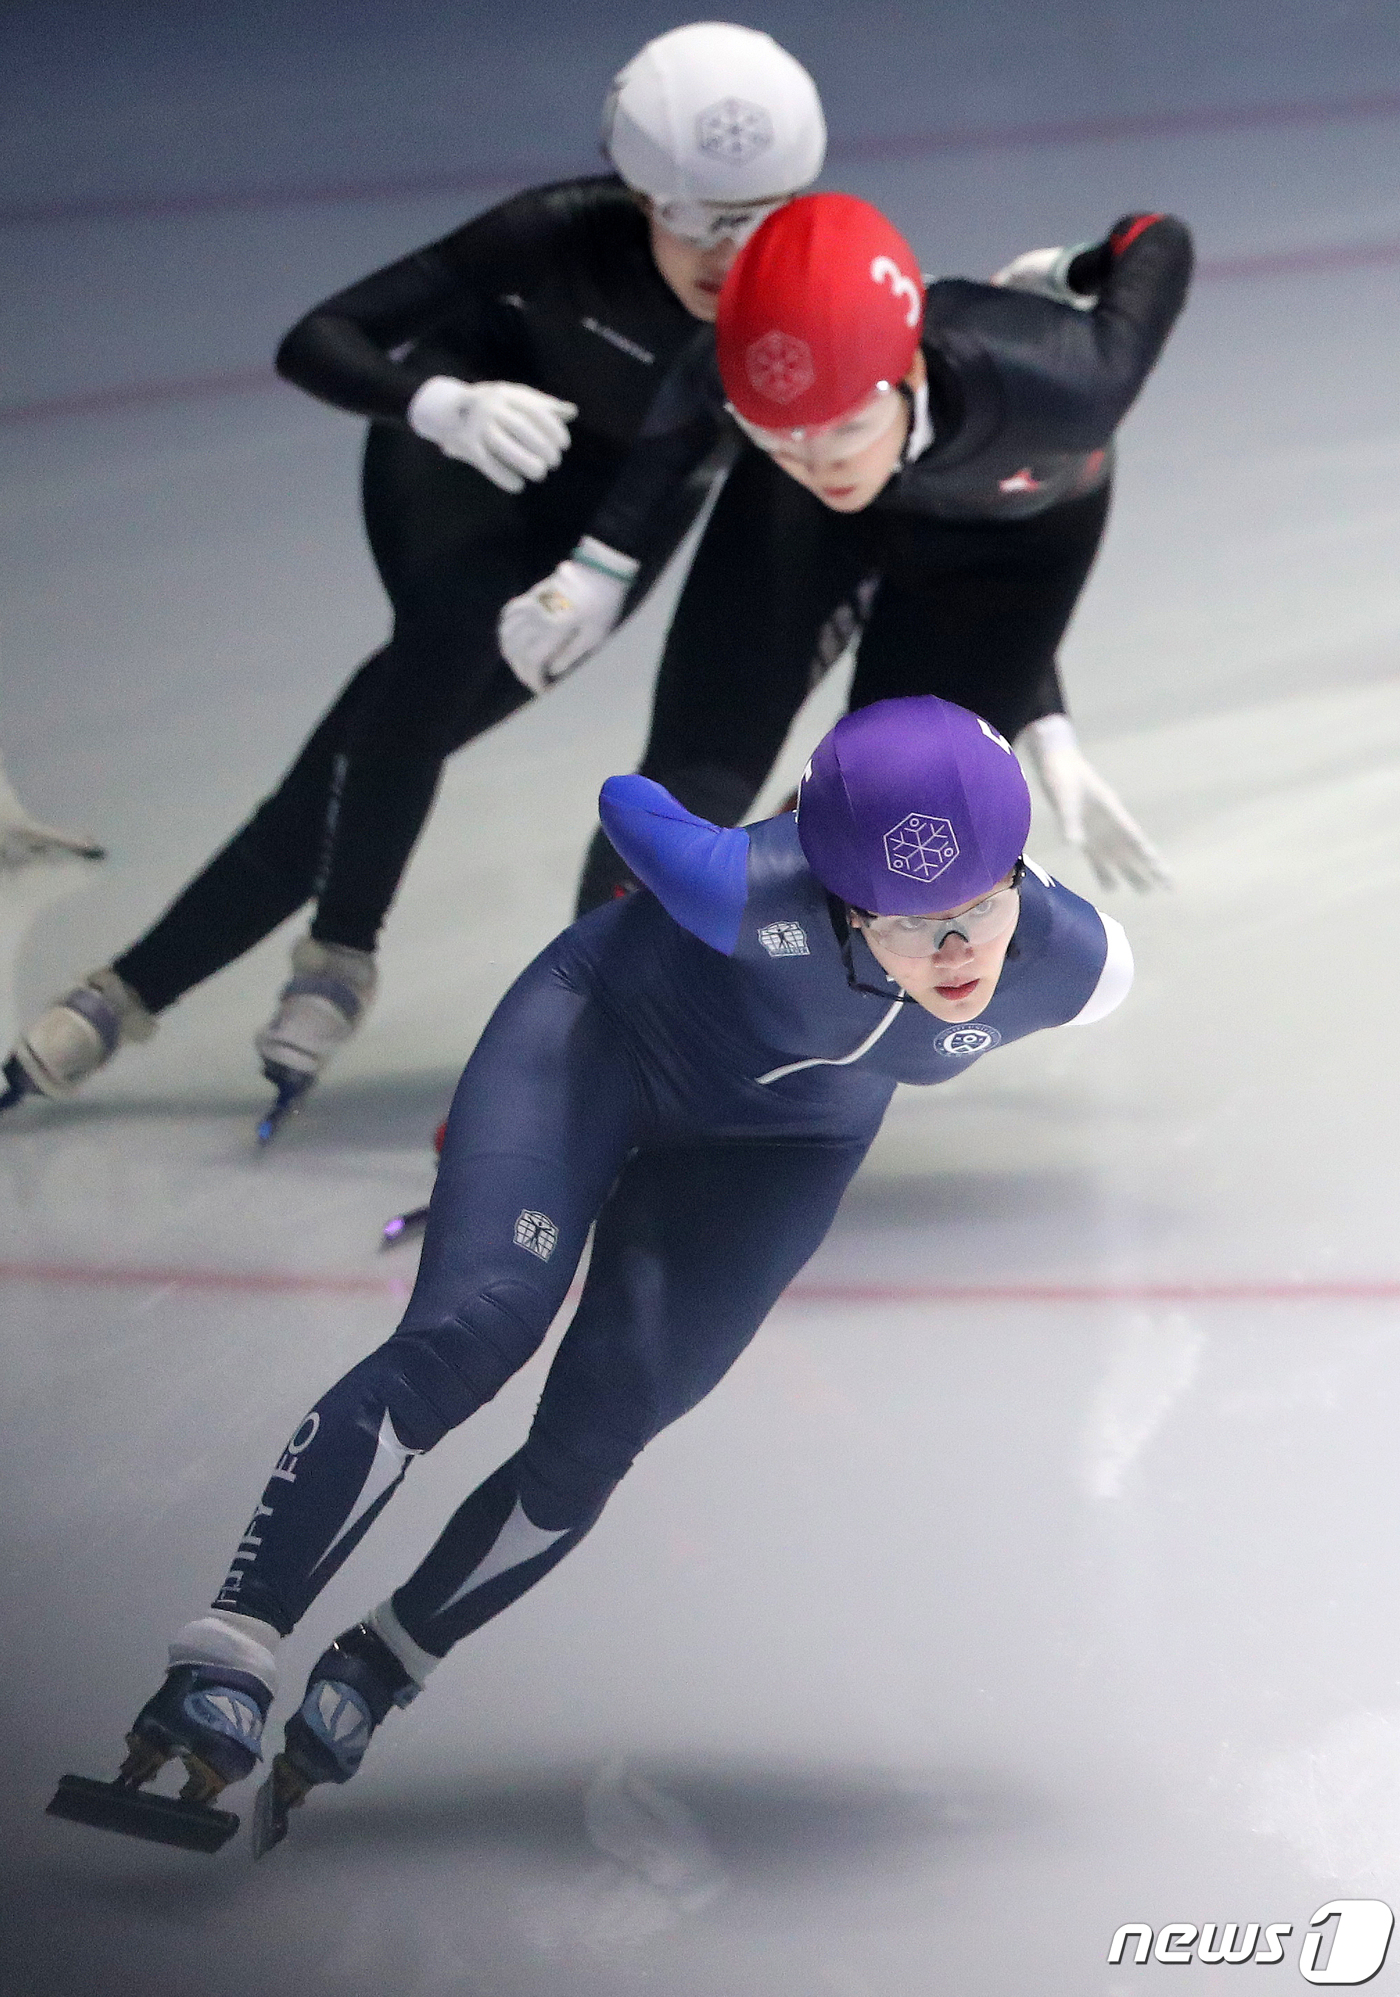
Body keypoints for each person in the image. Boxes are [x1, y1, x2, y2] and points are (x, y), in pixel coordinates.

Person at [51, 695, 1133, 1857]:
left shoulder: (1075, 962)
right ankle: (227, 1651)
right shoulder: (747, 883)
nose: (957, 952)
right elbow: (629, 802)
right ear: (836, 896)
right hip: (602, 1038)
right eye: (909, 925)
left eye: (978, 906)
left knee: (602, 1424)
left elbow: (998, 927)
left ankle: (384, 1660)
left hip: (780, 1148)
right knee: (478, 1324)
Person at [0, 22, 825, 1127]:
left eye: (750, 225)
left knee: (378, 740)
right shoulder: (553, 231)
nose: (725, 260)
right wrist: (440, 405)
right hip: (464, 455)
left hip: (615, 523)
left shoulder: (808, 277)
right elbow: (318, 337)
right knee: (441, 636)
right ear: (637, 195)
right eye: (694, 225)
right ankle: (339, 949)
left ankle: (132, 989)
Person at [498, 192, 1192, 909]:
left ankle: (783, 950)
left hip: (1006, 546)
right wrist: (600, 565)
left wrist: (1075, 270)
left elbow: (1158, 237)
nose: (823, 461)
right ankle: (607, 997)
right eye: (779, 436)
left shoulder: (1067, 380)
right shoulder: (761, 381)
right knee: (693, 781)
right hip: (806, 521)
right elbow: (685, 421)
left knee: (885, 821)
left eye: (849, 426)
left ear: (911, 372)